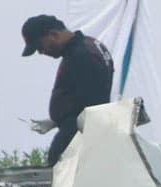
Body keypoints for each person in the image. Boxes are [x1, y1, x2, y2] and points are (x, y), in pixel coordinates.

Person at [20, 15, 114, 165]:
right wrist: (57, 119)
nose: (41, 52)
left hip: (78, 136)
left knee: (60, 180)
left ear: (54, 35)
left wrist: (64, 120)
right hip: (83, 129)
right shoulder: (90, 45)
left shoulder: (80, 55)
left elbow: (89, 107)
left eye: (40, 46)